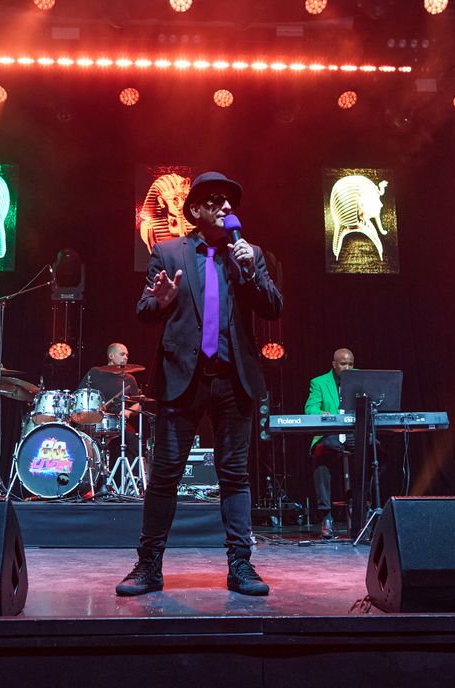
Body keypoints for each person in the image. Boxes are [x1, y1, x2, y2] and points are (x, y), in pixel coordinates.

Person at [117, 171, 283, 597]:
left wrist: (250, 271)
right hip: (182, 379)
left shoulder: (250, 253)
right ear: (194, 210)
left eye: (230, 201)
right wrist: (161, 300)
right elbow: (143, 311)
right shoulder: (169, 251)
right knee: (165, 475)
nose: (226, 207)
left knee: (235, 476)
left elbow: (273, 308)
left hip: (233, 379)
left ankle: (241, 566)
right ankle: (148, 565)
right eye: (215, 201)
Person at [306, 348, 355, 539]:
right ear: (334, 364)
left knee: (378, 453)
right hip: (330, 434)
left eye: (350, 363)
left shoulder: (360, 378)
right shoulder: (319, 382)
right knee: (320, 453)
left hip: (353, 433)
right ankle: (326, 516)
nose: (348, 367)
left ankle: (359, 505)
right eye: (344, 364)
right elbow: (310, 409)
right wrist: (324, 415)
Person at [79, 342, 142, 431]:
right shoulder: (95, 372)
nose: (126, 357)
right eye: (122, 354)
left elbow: (138, 403)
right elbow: (81, 394)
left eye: (127, 355)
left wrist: (128, 411)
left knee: (133, 440)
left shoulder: (129, 379)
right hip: (95, 422)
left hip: (118, 423)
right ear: (111, 356)